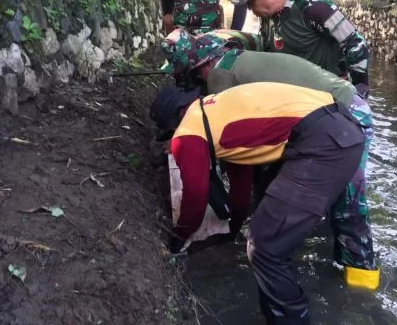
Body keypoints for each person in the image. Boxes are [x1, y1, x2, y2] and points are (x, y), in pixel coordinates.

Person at [150, 83, 378, 324]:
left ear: (175, 120)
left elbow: (195, 196)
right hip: (342, 125)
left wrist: (178, 238)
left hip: (322, 143)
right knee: (268, 231)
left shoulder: (187, 133)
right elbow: (241, 186)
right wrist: (233, 229)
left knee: (265, 248)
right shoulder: (215, 113)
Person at [157, 31, 378, 278]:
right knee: (290, 185)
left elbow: (225, 147)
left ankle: (361, 274)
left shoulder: (221, 75)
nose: (200, 80)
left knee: (346, 201)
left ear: (207, 64)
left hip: (342, 112)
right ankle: (303, 241)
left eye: (198, 73)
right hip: (329, 109)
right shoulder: (236, 57)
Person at [233, 0, 371, 98]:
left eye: (251, 3)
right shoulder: (268, 16)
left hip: (327, 95)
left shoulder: (312, 6)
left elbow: (355, 43)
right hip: (293, 95)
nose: (250, 9)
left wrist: (357, 89)